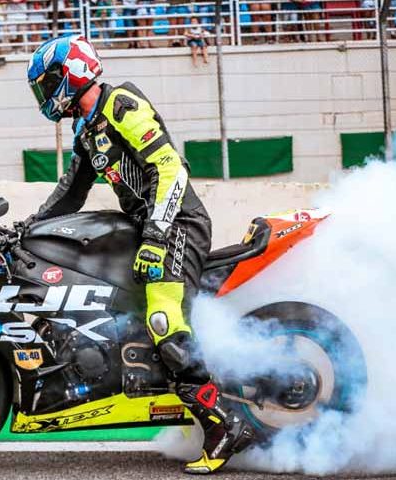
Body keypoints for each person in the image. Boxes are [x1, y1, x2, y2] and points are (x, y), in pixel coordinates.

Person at [25, 35, 254, 475]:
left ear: (72, 73)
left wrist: (156, 234)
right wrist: (28, 227)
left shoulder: (121, 106)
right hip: (147, 227)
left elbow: (169, 169)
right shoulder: (88, 129)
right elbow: (71, 192)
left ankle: (226, 424)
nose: (45, 94)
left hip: (177, 223)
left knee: (163, 320)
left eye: (48, 82)